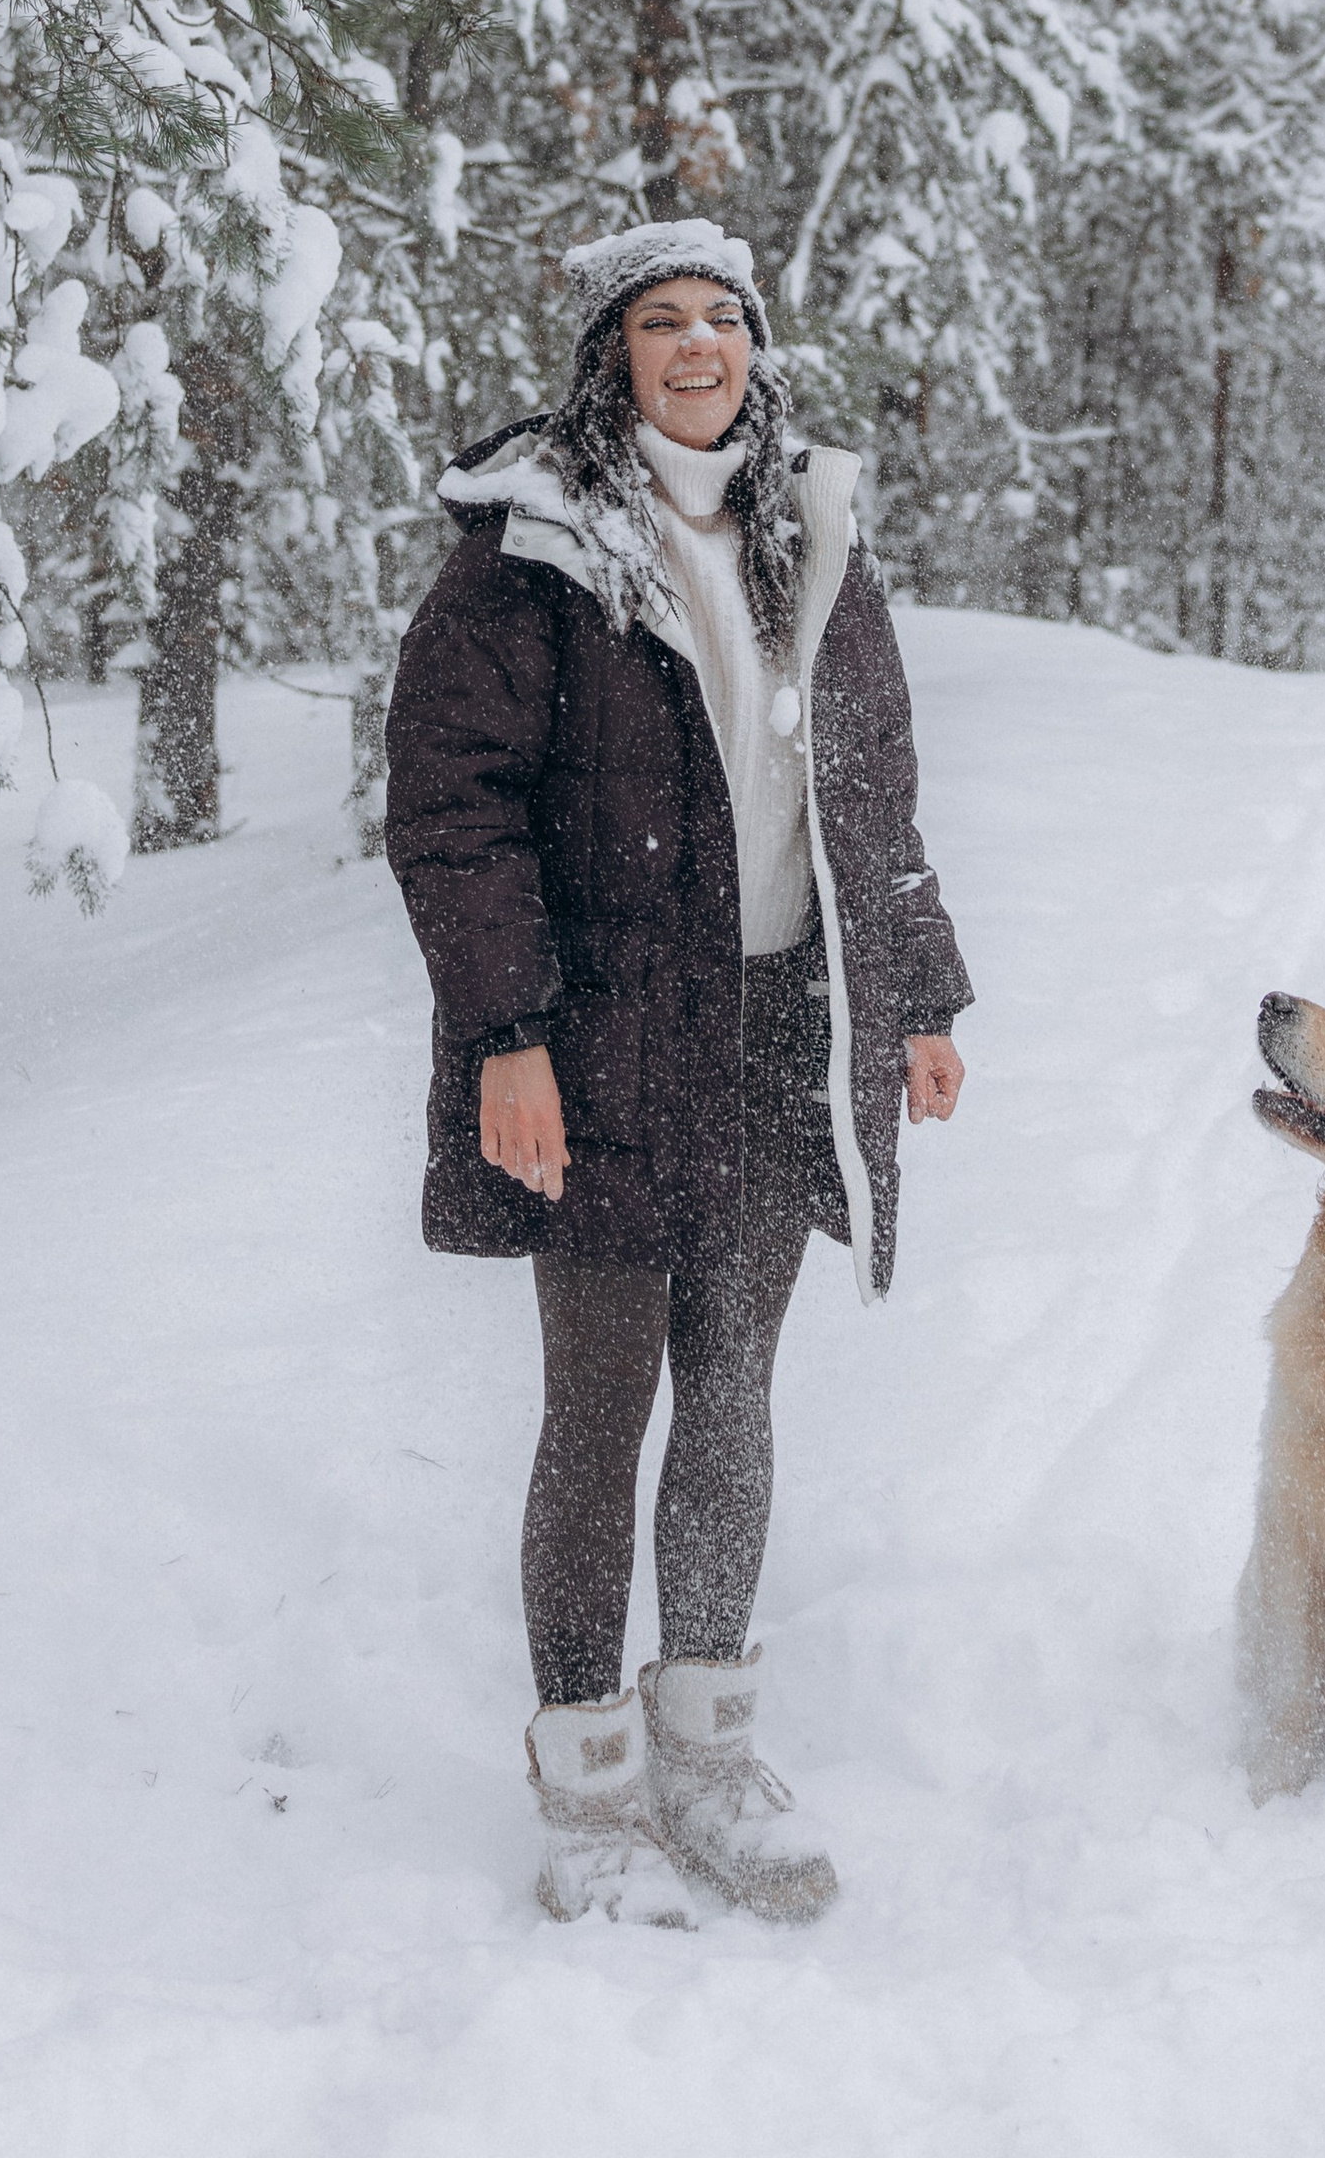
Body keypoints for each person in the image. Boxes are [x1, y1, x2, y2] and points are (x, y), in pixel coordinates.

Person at [383, 220, 972, 1927]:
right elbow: (452, 813)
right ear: (611, 353)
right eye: (662, 319)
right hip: (604, 1032)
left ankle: (706, 1741)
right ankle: (588, 1787)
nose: (698, 345)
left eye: (724, 317)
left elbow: (873, 789)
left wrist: (919, 997)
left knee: (732, 1386)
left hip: (778, 1020)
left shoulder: (813, 528)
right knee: (600, 1404)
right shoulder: (536, 545)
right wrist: (506, 1036)